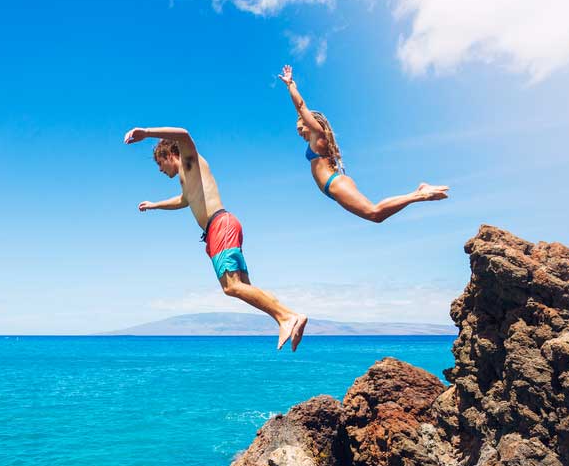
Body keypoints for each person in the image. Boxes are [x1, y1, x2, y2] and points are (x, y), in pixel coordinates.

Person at [124, 126, 308, 351]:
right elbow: (183, 200)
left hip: (220, 225)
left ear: (168, 154)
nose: (160, 170)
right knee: (244, 287)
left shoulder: (189, 160)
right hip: (221, 227)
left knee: (231, 287)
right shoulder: (188, 178)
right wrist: (155, 205)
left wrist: (146, 133)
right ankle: (286, 318)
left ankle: (288, 317)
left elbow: (183, 134)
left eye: (159, 164)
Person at [278, 65, 449, 222]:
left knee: (374, 213)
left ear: (309, 123)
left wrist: (290, 84)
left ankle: (419, 194)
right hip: (334, 185)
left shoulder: (318, 133)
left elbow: (301, 106)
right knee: (374, 214)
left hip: (335, 183)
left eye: (300, 127)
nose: (298, 132)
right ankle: (419, 193)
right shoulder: (315, 140)